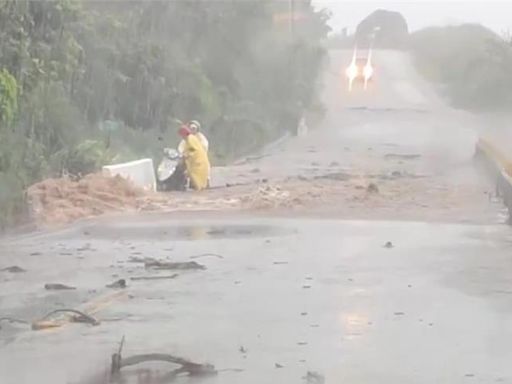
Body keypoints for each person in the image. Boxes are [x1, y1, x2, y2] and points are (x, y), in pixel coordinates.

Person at [178, 125, 210, 191]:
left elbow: (194, 150)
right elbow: (182, 148)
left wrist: (186, 155)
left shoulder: (190, 138)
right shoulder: (189, 139)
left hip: (198, 162)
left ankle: (199, 191)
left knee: (196, 177)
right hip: (195, 162)